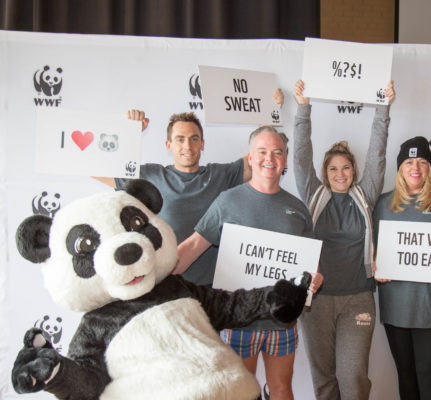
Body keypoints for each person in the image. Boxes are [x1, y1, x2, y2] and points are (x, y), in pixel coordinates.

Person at [174, 126, 323, 400]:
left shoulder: (298, 208)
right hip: (239, 319)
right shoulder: (228, 201)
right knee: (241, 393)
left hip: (281, 322)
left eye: (277, 152)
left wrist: (314, 280)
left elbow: (309, 267)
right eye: (262, 152)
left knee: (281, 389)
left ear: (285, 160)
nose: (270, 158)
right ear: (250, 158)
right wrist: (159, 275)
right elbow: (194, 245)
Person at [95, 91, 282, 286]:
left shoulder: (219, 175)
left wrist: (271, 110)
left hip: (214, 289)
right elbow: (97, 168)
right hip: (167, 287)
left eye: (194, 139)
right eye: (180, 139)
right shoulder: (152, 176)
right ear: (168, 145)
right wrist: (129, 132)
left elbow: (261, 158)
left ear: (202, 144)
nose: (188, 145)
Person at [292, 80, 394, 400]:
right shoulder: (313, 195)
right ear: (325, 171)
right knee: (323, 380)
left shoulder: (365, 196)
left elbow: (377, 152)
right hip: (317, 302)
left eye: (346, 167)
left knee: (352, 377)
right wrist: (303, 107)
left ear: (354, 170)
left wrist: (383, 106)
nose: (340, 173)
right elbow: (299, 155)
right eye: (333, 168)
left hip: (358, 298)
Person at [372, 136, 431, 400]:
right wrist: (376, 265)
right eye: (409, 162)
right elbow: (372, 250)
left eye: (423, 161)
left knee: (427, 375)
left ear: (430, 168)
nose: (416, 167)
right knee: (406, 375)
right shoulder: (383, 204)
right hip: (397, 306)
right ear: (400, 168)